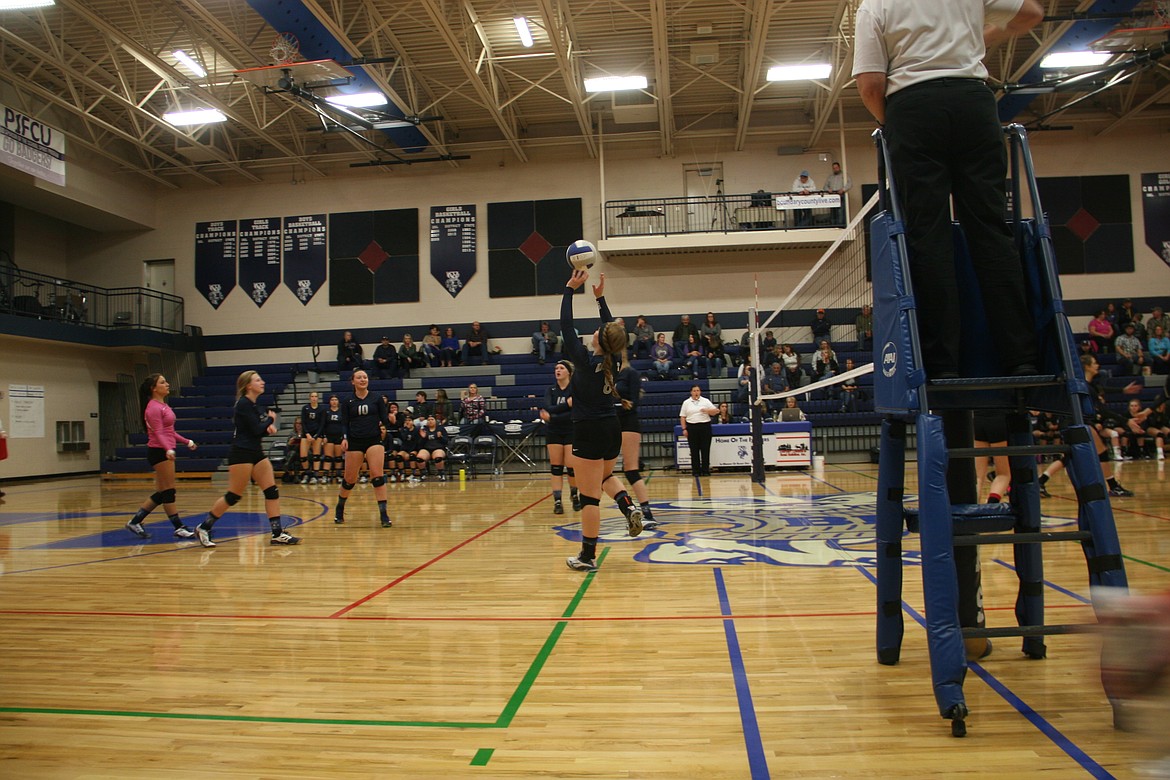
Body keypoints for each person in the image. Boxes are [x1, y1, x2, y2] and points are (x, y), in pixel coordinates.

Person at [852, 0, 1043, 380]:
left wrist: (898, 123)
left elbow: (871, 84)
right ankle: (1022, 358)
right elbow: (1032, 14)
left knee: (929, 239)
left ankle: (942, 366)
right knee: (991, 230)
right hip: (973, 103)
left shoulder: (874, 6)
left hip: (912, 107)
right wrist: (988, 31)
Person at [560, 269, 645, 572]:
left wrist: (570, 289)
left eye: (598, 330)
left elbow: (566, 325)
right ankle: (628, 507)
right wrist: (599, 298)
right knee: (606, 477)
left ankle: (587, 556)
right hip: (612, 428)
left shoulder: (584, 361)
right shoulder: (613, 360)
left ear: (600, 339)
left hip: (589, 431)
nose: (595, 330)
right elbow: (610, 329)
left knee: (589, 498)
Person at [193, 371, 301, 548]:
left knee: (271, 491)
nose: (262, 382)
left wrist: (267, 427)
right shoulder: (243, 404)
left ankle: (277, 533)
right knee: (234, 495)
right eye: (258, 380)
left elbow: (254, 430)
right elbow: (257, 429)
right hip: (241, 453)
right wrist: (269, 421)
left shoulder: (252, 405)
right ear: (248, 386)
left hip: (255, 452)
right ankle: (204, 527)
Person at [1038, 354, 1135, 499]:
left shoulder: (1085, 385)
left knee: (1071, 456)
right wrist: (1126, 421)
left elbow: (1102, 390)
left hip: (1073, 422)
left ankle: (1041, 481)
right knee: (1099, 452)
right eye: (1095, 363)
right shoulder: (1084, 386)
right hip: (1076, 422)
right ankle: (1113, 486)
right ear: (1087, 367)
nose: (1098, 366)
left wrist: (1122, 391)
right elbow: (1102, 409)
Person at [124, 373, 199, 539]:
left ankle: (135, 521)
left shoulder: (163, 405)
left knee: (161, 492)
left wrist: (186, 441)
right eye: (163, 382)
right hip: (159, 451)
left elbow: (169, 432)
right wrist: (168, 449)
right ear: (153, 388)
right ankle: (178, 527)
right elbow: (158, 432)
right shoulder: (152, 408)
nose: (167, 384)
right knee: (169, 491)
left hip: (165, 449)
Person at [334, 369, 393, 527]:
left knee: (377, 475)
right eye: (359, 377)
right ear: (352, 381)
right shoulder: (347, 401)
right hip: (354, 441)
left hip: (374, 439)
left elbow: (384, 419)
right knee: (350, 479)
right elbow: (344, 423)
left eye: (365, 377)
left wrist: (390, 421)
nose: (363, 379)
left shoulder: (376, 398)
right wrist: (345, 438)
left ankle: (384, 514)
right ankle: (340, 507)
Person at [616, 359, 657, 529]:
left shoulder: (630, 373)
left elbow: (634, 403)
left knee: (631, 469)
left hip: (627, 422)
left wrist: (617, 406)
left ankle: (647, 514)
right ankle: (629, 508)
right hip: (609, 422)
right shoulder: (605, 373)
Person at [541, 360, 580, 514]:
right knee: (556, 467)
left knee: (571, 467)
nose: (558, 370)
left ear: (569, 372)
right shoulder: (550, 390)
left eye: (561, 368)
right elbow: (548, 408)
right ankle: (557, 501)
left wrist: (553, 416)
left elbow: (573, 413)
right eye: (556, 368)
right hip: (554, 431)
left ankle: (574, 495)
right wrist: (566, 406)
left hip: (571, 430)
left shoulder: (575, 389)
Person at [679, 384, 719, 477]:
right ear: (691, 392)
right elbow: (683, 416)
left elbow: (716, 411)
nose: (696, 392)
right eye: (694, 391)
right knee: (694, 450)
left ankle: (705, 470)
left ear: (700, 392)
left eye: (698, 390)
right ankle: (696, 471)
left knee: (705, 449)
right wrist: (684, 429)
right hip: (692, 427)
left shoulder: (706, 401)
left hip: (705, 426)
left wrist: (707, 411)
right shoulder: (686, 402)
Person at [973, 410, 1011, 503]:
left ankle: (973, 507)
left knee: (978, 476)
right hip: (997, 418)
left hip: (977, 419)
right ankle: (991, 504)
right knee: (1003, 474)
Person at [298, 391, 326, 484]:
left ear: (318, 398)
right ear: (309, 398)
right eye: (312, 396)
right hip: (306, 434)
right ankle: (308, 473)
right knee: (303, 456)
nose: (314, 398)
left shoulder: (321, 409)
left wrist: (316, 436)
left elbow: (322, 424)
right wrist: (307, 434)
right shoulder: (305, 408)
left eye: (315, 396)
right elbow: (303, 422)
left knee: (316, 456)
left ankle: (315, 476)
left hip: (317, 435)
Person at [320, 395, 345, 484]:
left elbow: (344, 424)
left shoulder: (341, 411)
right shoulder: (326, 411)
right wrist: (324, 436)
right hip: (329, 436)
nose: (334, 401)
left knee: (338, 458)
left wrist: (344, 437)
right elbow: (323, 424)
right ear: (330, 402)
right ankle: (325, 476)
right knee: (328, 457)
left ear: (338, 401)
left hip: (339, 436)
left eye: (335, 400)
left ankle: (338, 476)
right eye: (332, 400)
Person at [416, 416, 448, 481]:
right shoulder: (424, 429)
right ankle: (423, 473)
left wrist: (441, 437)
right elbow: (419, 444)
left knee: (438, 458)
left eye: (432, 419)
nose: (430, 421)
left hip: (438, 448)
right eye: (428, 420)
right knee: (419, 458)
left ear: (435, 421)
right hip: (426, 449)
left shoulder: (441, 429)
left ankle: (441, 474)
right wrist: (423, 438)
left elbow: (446, 441)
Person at [824, 161, 853, 226]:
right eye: (834, 168)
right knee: (833, 213)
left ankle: (841, 225)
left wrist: (843, 189)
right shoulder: (830, 177)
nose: (835, 169)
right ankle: (834, 225)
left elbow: (850, 183)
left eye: (836, 168)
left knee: (841, 212)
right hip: (832, 197)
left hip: (841, 196)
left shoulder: (844, 175)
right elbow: (825, 186)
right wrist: (828, 190)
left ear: (839, 167)